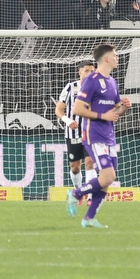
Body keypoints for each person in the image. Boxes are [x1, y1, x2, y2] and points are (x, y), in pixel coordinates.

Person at [66, 43, 133, 228]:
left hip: (109, 135)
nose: (117, 58)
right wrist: (103, 116)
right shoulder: (91, 80)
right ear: (106, 58)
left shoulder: (112, 82)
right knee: (108, 176)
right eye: (115, 55)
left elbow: (115, 112)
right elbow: (78, 109)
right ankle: (76, 193)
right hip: (93, 134)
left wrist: (123, 107)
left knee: (105, 181)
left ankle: (89, 218)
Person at [55, 60, 98, 192]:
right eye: (86, 71)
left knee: (90, 162)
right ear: (79, 72)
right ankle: (78, 190)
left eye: (92, 71)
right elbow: (59, 109)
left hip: (91, 132)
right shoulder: (70, 87)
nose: (90, 73)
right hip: (72, 133)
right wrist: (68, 121)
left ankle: (90, 195)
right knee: (75, 167)